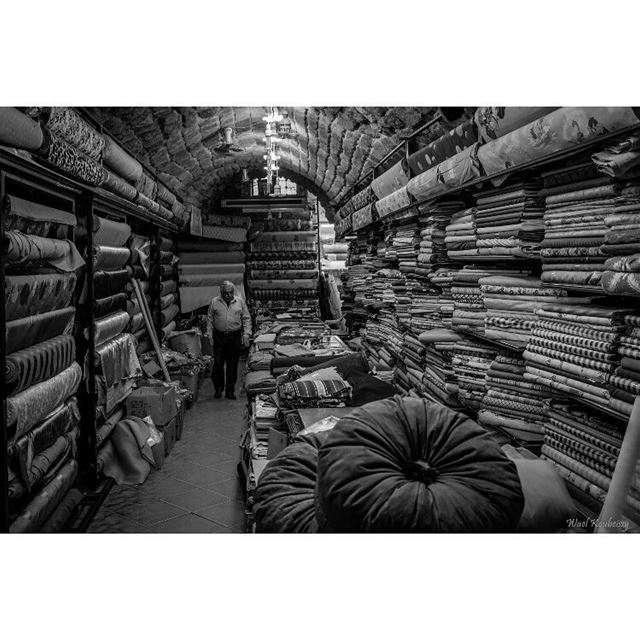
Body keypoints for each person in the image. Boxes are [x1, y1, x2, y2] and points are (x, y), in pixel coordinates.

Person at [206, 281, 251, 399]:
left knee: (232, 365)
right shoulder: (214, 302)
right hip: (219, 336)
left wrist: (246, 334)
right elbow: (209, 320)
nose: (228, 295)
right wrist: (209, 335)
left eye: (231, 292)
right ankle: (218, 388)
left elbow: (246, 318)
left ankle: (230, 391)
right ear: (221, 293)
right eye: (226, 293)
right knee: (218, 364)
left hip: (234, 337)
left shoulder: (239, 302)